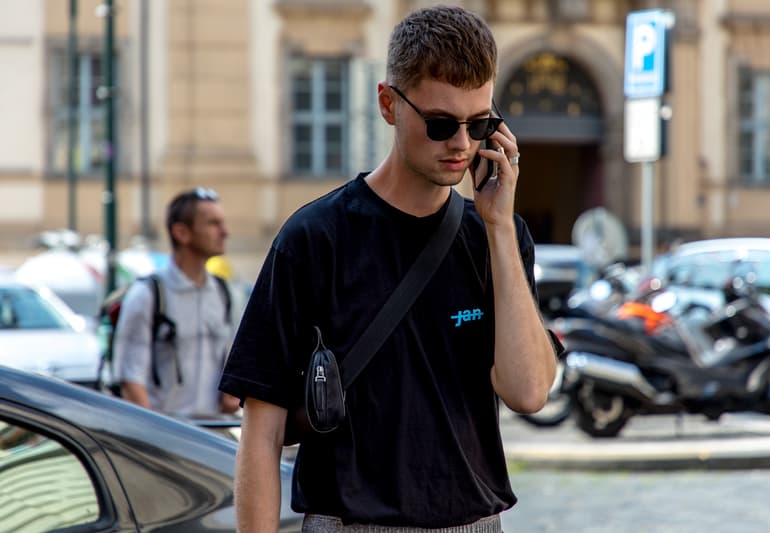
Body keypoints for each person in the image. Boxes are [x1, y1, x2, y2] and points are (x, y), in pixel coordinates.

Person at [219, 5, 560, 532]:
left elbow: (529, 392)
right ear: (388, 104)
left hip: (474, 523)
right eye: (442, 123)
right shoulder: (315, 238)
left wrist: (498, 228)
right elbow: (261, 433)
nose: (462, 144)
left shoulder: (496, 237)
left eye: (481, 124)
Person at [113, 187, 240, 417]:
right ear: (181, 233)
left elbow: (234, 372)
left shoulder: (224, 293)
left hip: (214, 435)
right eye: (213, 224)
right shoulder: (147, 295)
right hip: (167, 441)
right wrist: (158, 437)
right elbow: (130, 380)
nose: (225, 232)